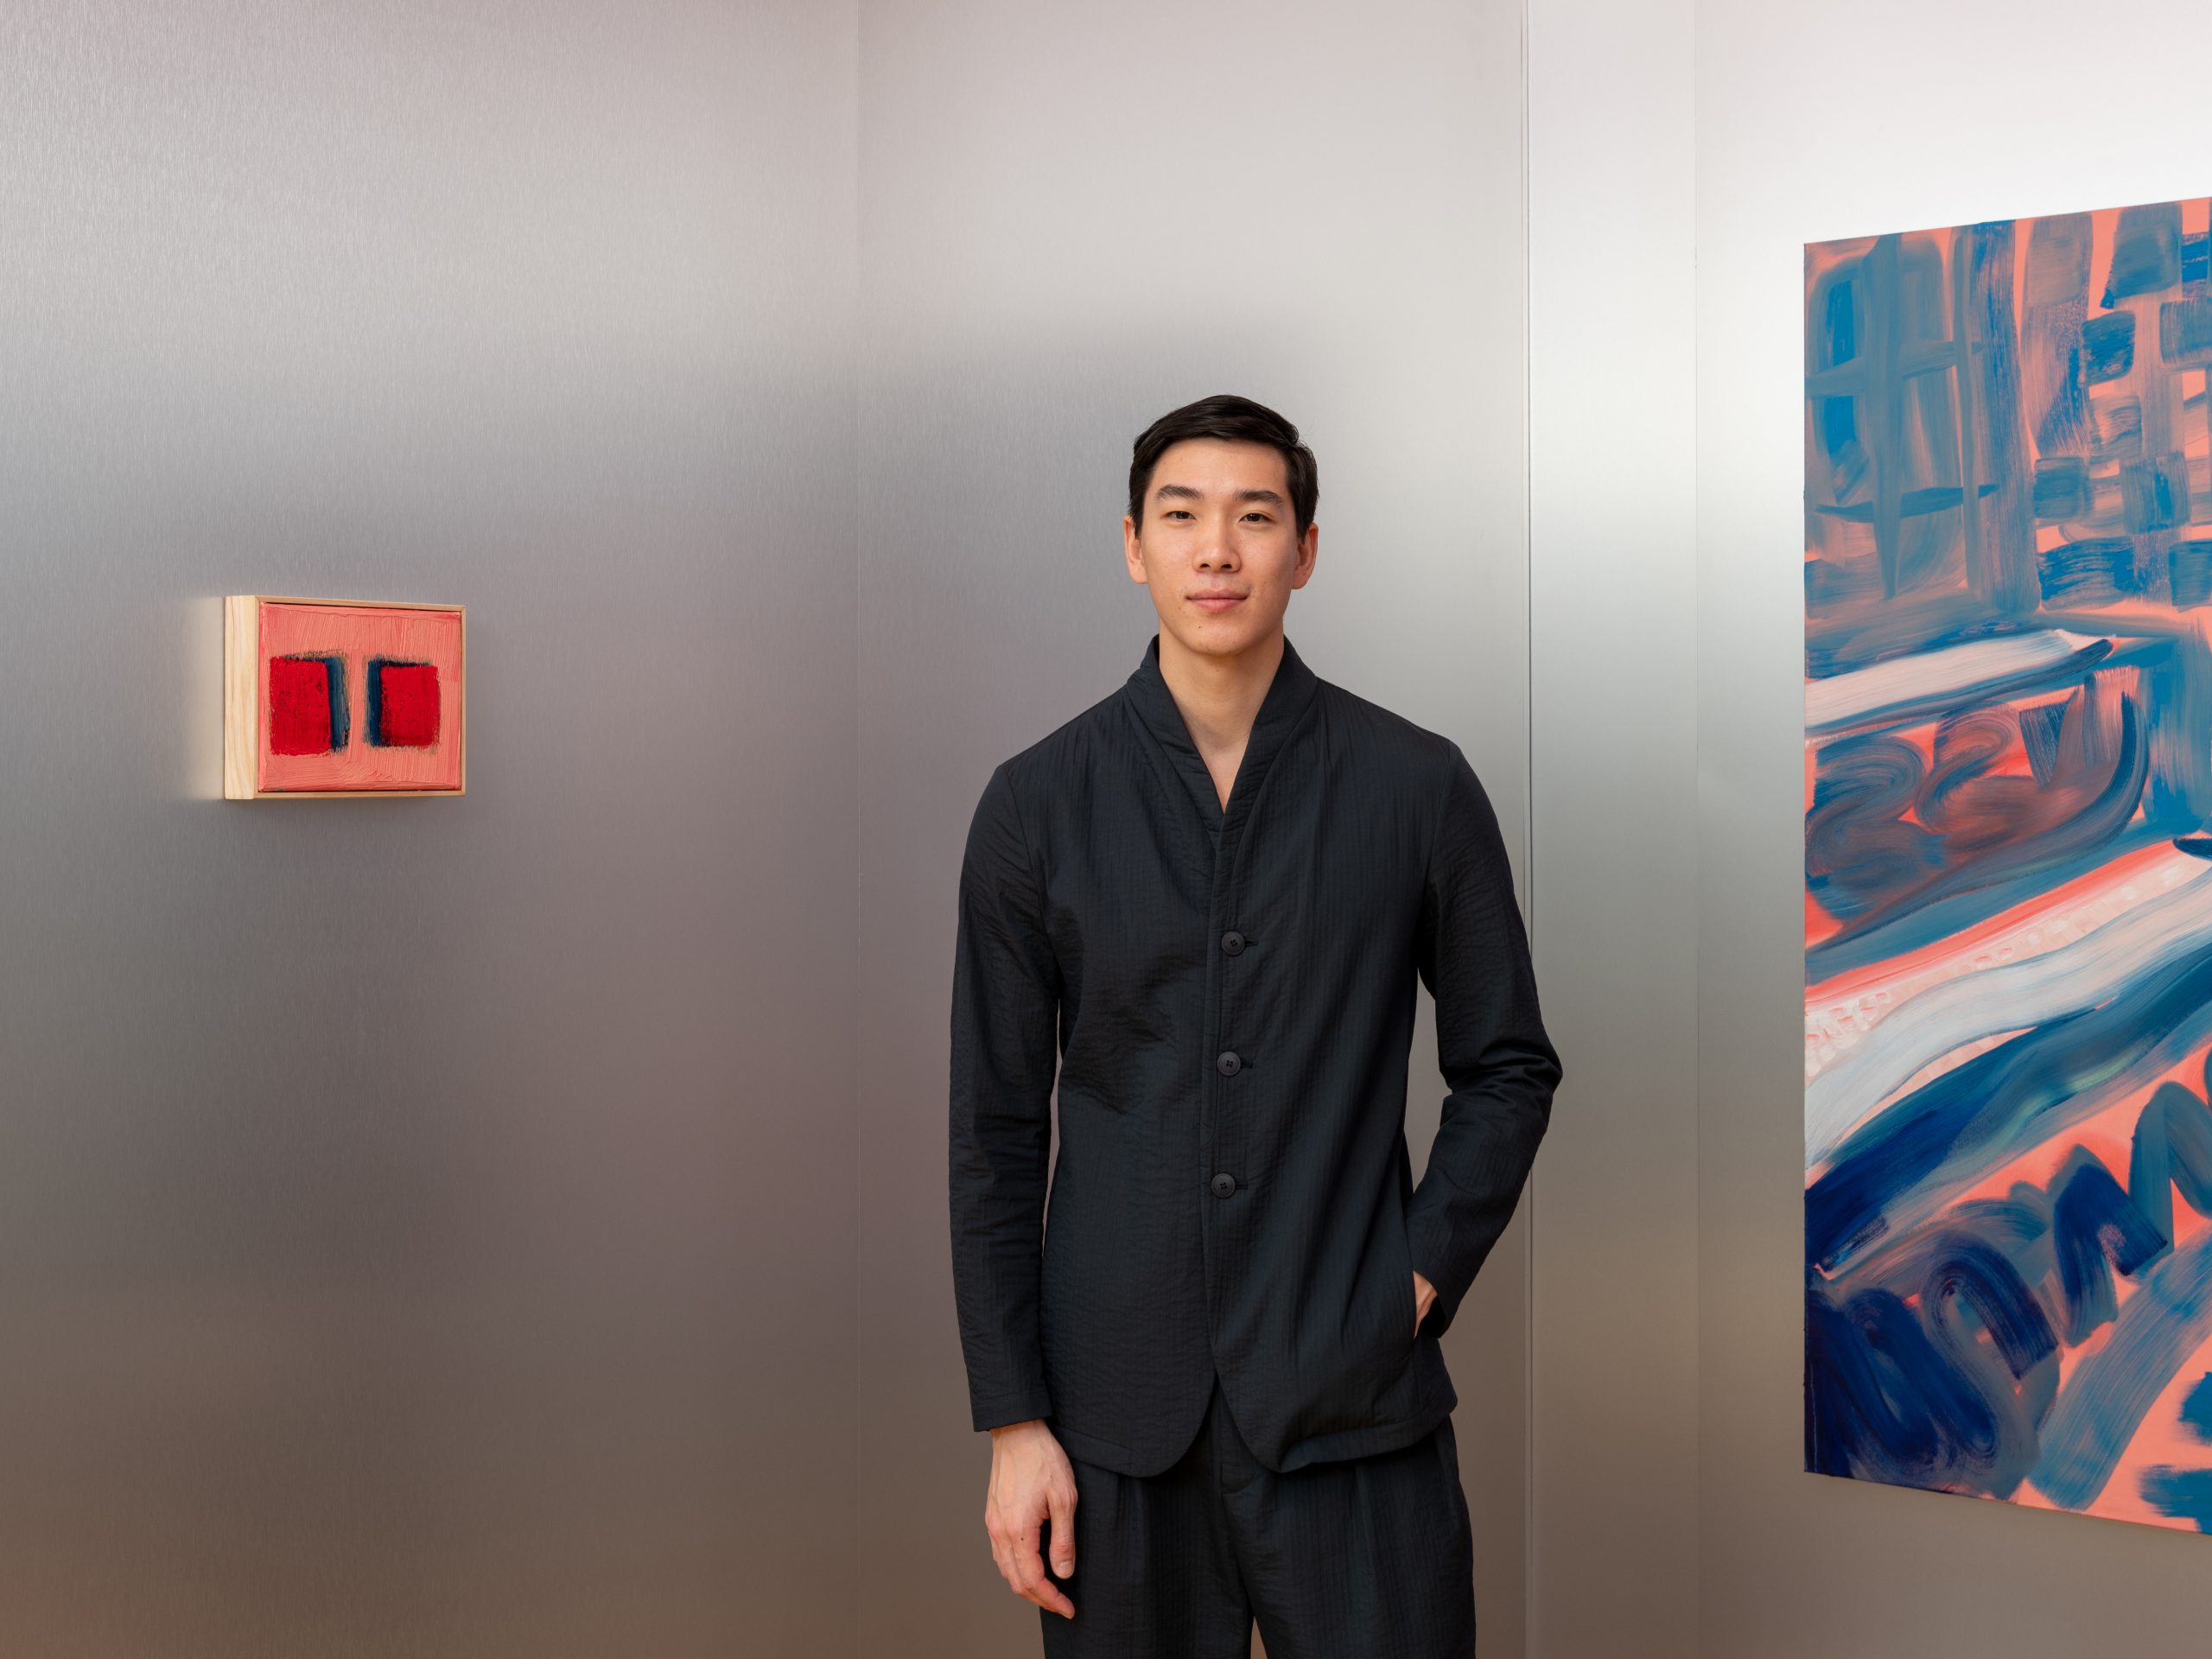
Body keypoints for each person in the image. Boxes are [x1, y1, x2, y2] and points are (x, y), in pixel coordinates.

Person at [948, 392, 1560, 1656]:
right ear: (1134, 545)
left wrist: (1414, 1282)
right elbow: (994, 1132)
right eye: (1182, 516)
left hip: (1355, 1402)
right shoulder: (1036, 806)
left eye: (1253, 516)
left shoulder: (1416, 786)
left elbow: (1507, 1066)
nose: (1216, 549)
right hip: (1113, 1423)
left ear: (1306, 550)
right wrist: (1014, 1425)